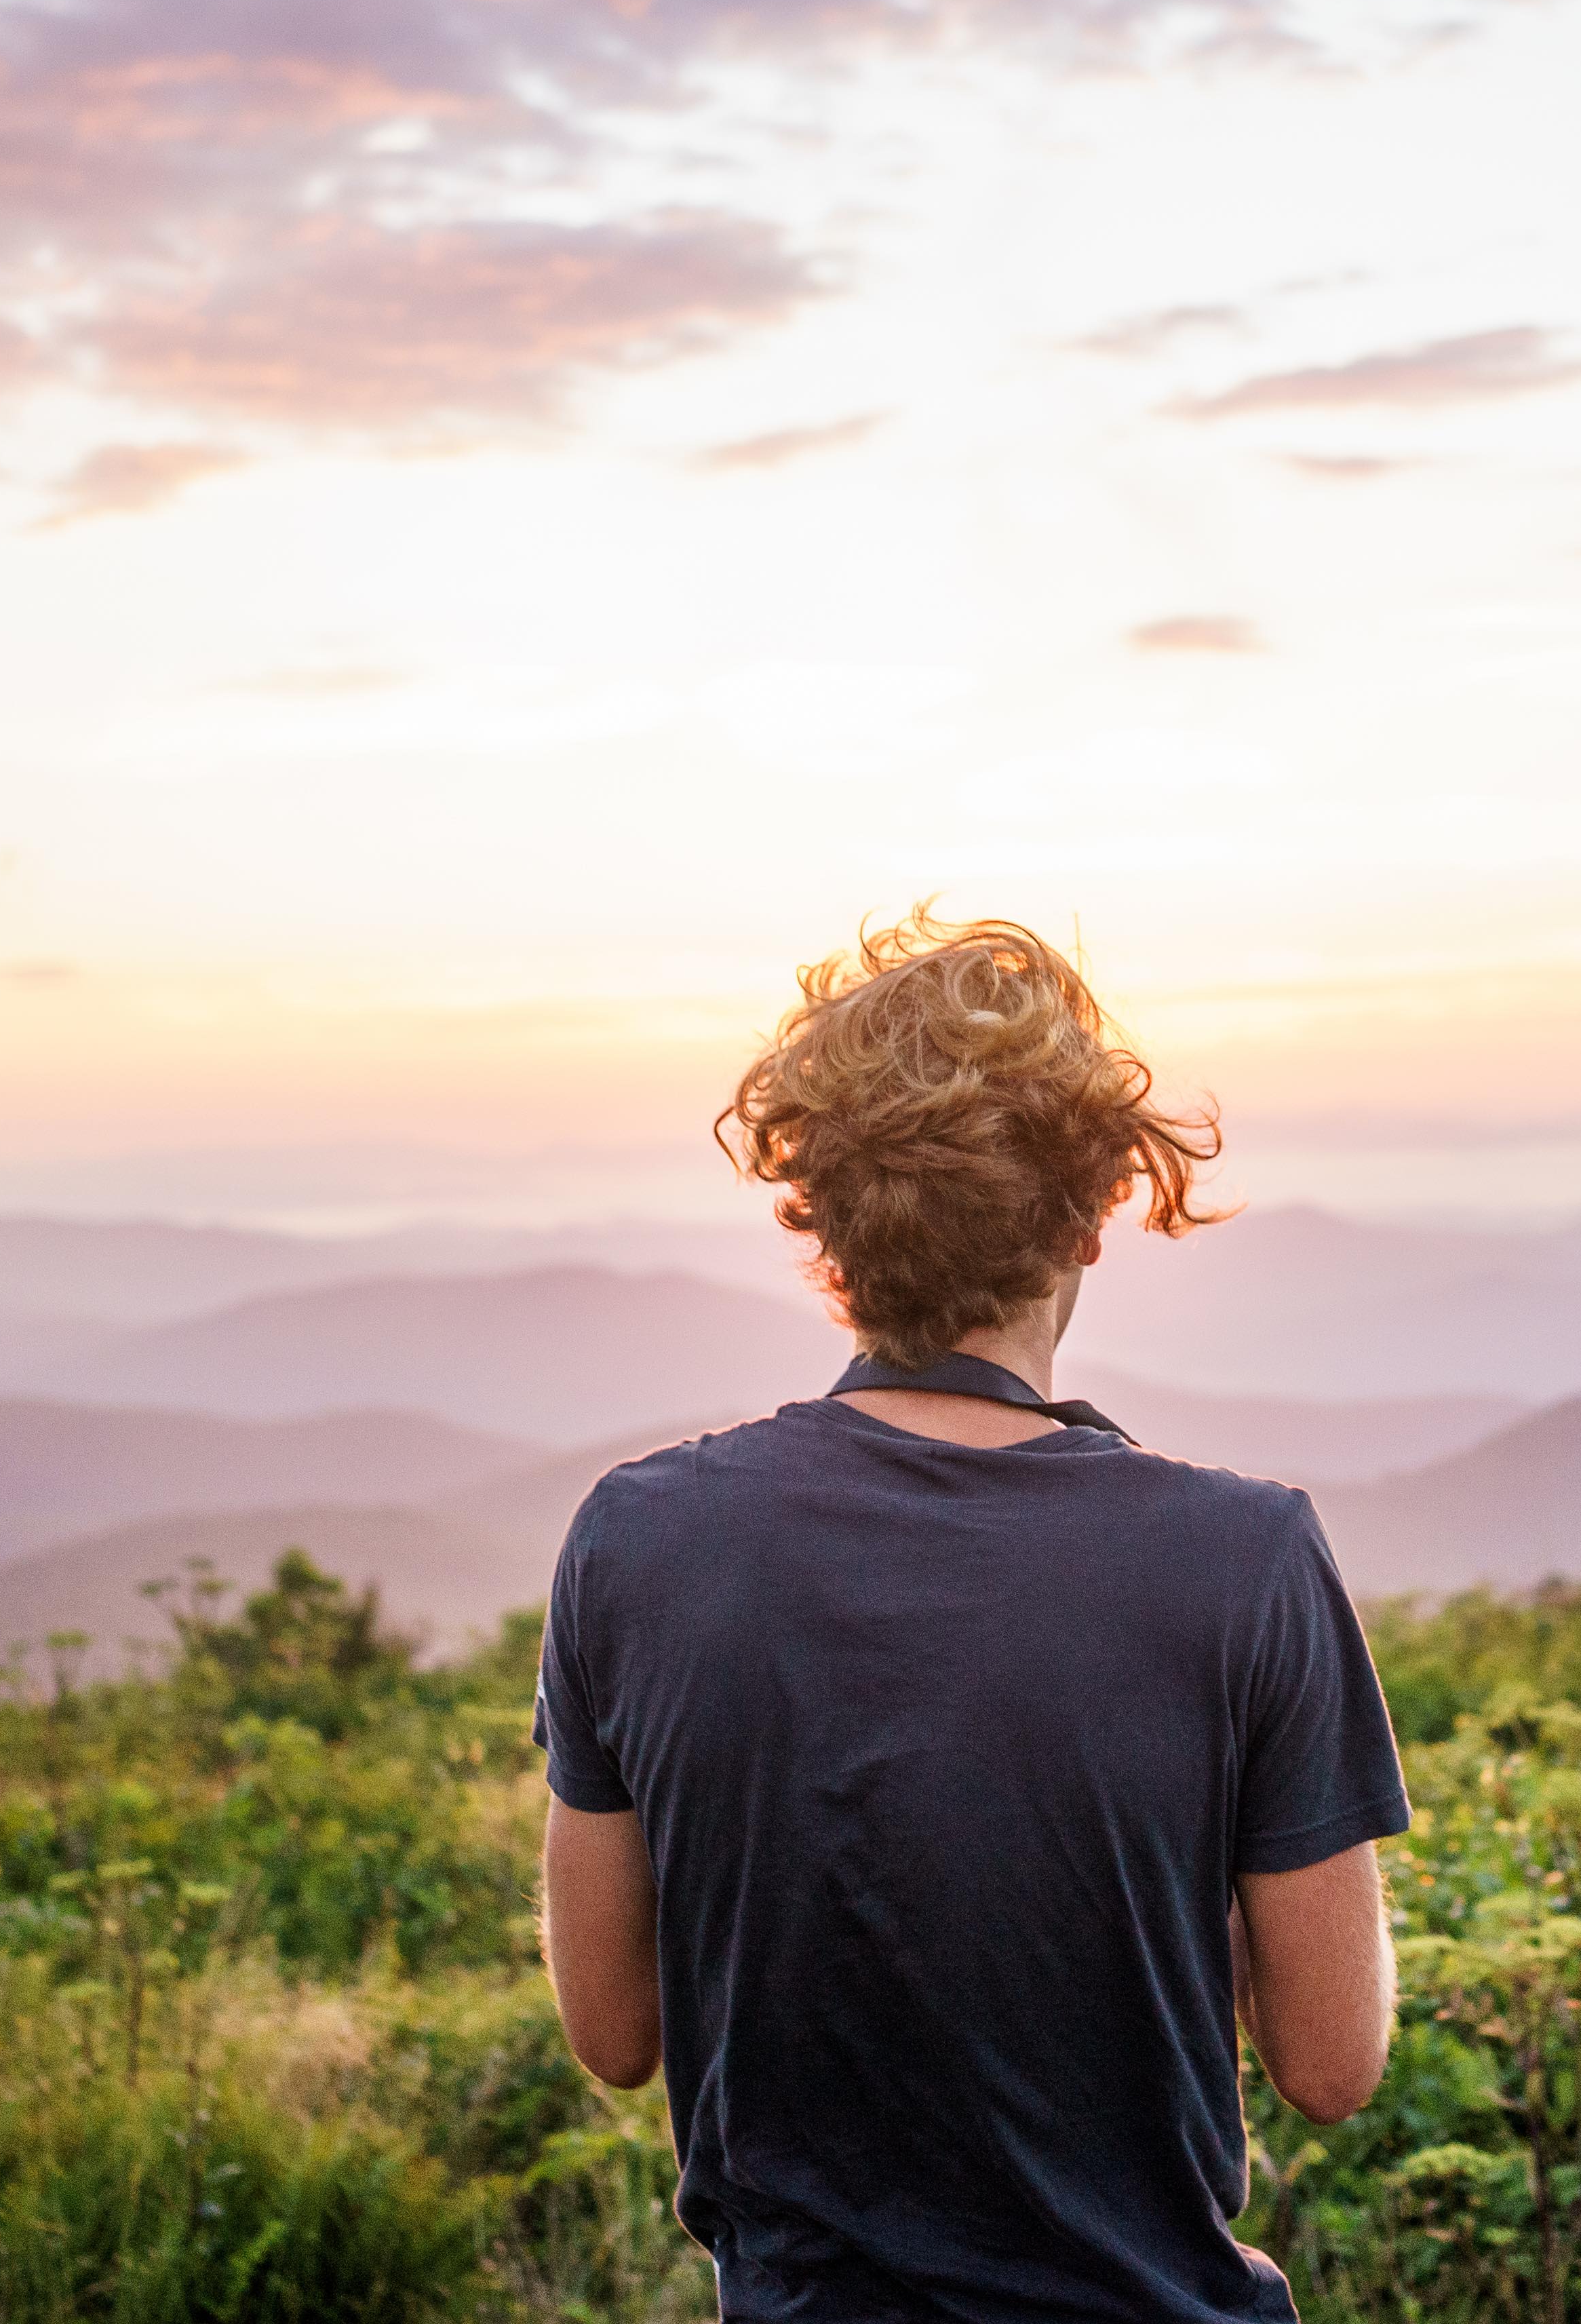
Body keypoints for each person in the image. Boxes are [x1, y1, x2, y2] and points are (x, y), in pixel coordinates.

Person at [533, 912, 1409, 2323]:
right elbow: (1332, 2061)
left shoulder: (637, 1540)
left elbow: (614, 2029)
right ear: (1095, 1208)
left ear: (823, 1221)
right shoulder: (1244, 1558)